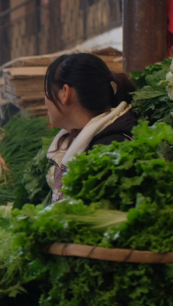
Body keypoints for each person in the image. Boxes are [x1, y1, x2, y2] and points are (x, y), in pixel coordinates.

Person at [44, 53, 137, 202]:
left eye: (48, 91)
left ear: (65, 93)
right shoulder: (73, 141)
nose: (45, 99)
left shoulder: (110, 150)